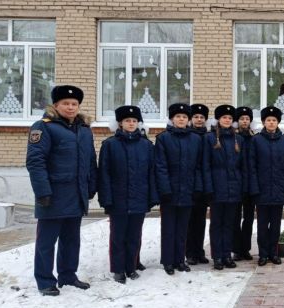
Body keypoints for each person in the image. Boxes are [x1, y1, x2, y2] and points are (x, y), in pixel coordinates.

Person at [26, 85, 97, 296]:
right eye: (65, 103)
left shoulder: (84, 130)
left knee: (71, 239)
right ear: (56, 105)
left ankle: (68, 275)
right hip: (53, 195)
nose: (70, 107)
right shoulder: (44, 127)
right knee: (47, 241)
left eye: (74, 104)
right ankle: (45, 280)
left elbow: (91, 161)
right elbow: (35, 162)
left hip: (76, 195)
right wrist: (42, 192)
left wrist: (91, 187)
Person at [98, 105, 158, 284]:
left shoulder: (146, 145)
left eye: (134, 121)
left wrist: (151, 197)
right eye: (127, 121)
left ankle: (131, 267)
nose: (131, 124)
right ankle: (118, 269)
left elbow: (151, 173)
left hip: (139, 198)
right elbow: (104, 174)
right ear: (120, 124)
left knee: (134, 236)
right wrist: (106, 199)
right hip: (118, 199)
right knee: (118, 236)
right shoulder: (109, 145)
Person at [155, 103, 203, 275]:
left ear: (188, 119)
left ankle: (179, 260)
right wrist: (165, 189)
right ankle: (168, 261)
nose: (181, 119)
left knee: (183, 228)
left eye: (184, 117)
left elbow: (199, 166)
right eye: (178, 117)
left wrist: (197, 187)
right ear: (172, 119)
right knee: (169, 228)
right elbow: (160, 166)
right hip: (170, 191)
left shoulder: (195, 139)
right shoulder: (163, 138)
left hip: (188, 190)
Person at [249, 106, 284, 266]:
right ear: (263, 122)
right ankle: (262, 254)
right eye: (268, 120)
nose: (271, 123)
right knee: (262, 225)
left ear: (278, 123)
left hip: (278, 190)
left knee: (276, 225)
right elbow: (252, 167)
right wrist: (254, 188)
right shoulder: (256, 140)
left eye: (274, 120)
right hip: (261, 191)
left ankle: (273, 253)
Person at [203, 104, 246, 271]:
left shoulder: (239, 139)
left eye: (229, 118)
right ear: (218, 120)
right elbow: (206, 165)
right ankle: (217, 256)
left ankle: (227, 254)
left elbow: (242, 165)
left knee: (230, 223)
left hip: (234, 188)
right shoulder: (210, 138)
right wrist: (209, 187)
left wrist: (241, 185)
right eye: (224, 118)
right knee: (217, 223)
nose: (227, 120)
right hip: (217, 187)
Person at [185, 103, 211, 266]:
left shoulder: (208, 136)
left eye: (202, 117)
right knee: (189, 221)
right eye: (196, 117)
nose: (199, 120)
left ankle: (199, 251)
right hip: (189, 185)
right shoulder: (187, 136)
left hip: (203, 185)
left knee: (200, 220)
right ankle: (190, 253)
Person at [233, 106, 257, 261]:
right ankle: (236, 249)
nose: (244, 121)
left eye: (247, 119)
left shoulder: (254, 138)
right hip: (237, 184)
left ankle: (246, 248)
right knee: (235, 218)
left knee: (248, 218)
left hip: (251, 185)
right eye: (241, 119)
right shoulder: (233, 138)